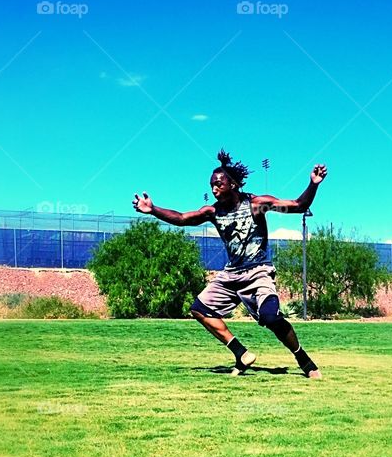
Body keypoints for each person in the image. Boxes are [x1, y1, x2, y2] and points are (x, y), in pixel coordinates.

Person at [132, 150, 327, 378]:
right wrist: (153, 210)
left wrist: (313, 184)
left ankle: (304, 360)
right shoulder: (213, 212)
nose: (214, 189)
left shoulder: (257, 204)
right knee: (199, 309)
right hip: (231, 274)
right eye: (211, 185)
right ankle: (241, 353)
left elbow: (297, 205)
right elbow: (183, 218)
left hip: (258, 271)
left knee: (270, 318)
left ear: (232, 184)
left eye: (218, 184)